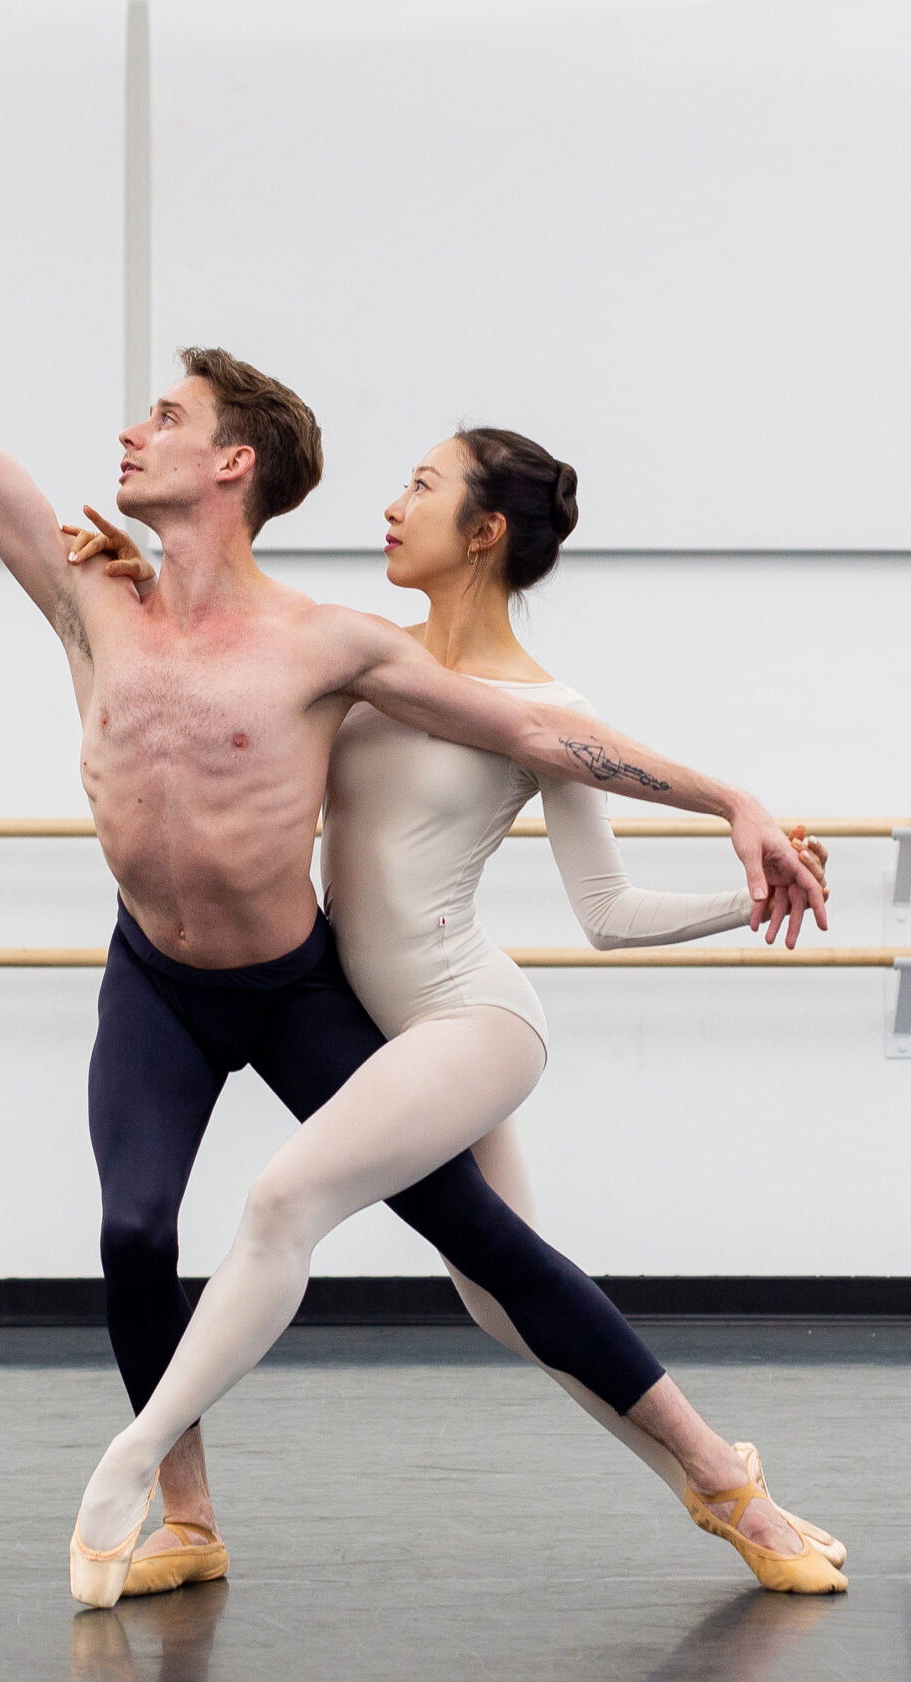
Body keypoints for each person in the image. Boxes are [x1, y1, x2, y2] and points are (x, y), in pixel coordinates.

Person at [0, 113, 832, 1607]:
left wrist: (730, 795)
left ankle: (721, 1481)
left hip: (295, 985)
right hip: (153, 983)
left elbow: (545, 736)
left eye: (158, 415)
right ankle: (183, 1510)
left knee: (478, 1241)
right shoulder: (90, 596)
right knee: (129, 1225)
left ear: (226, 462)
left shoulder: (331, 647)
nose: (126, 434)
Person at [65, 433, 846, 1604]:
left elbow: (610, 914)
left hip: (471, 1019)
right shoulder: (357, 659)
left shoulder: (544, 707)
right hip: (370, 1021)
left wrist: (748, 881)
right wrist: (143, 581)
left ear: (483, 533)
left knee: (285, 1198)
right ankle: (724, 1483)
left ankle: (132, 1466)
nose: (390, 507)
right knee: (502, 1285)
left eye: (421, 489)